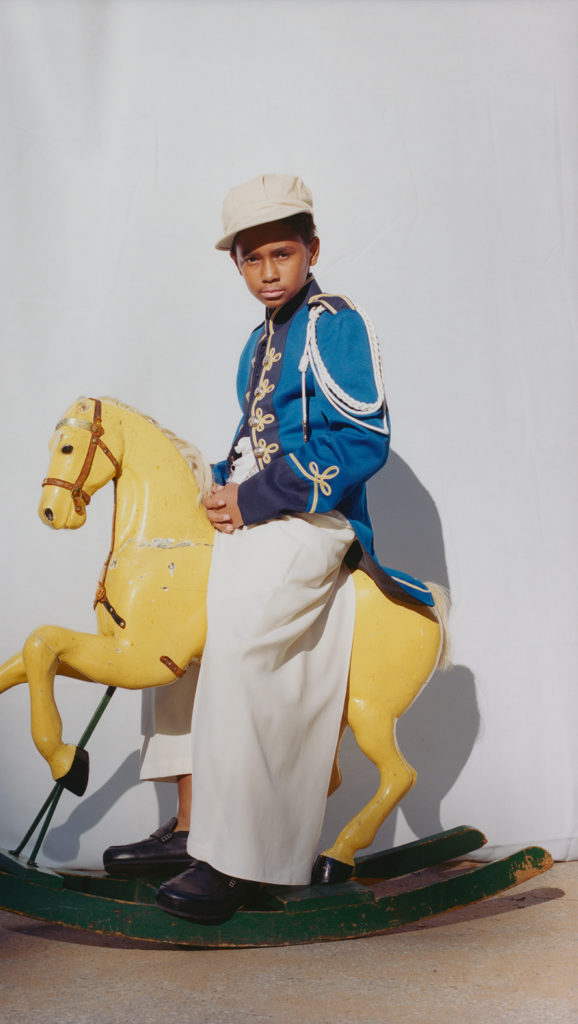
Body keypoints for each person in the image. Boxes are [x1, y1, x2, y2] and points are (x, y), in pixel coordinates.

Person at [103, 174, 434, 924]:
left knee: (244, 637)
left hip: (319, 524)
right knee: (184, 623)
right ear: (238, 267)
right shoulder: (258, 340)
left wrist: (251, 499)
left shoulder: (336, 323)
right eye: (253, 260)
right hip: (261, 513)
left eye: (283, 253)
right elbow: (252, 443)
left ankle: (239, 858)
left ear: (312, 249)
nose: (269, 271)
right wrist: (212, 489)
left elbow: (362, 440)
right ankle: (189, 824)